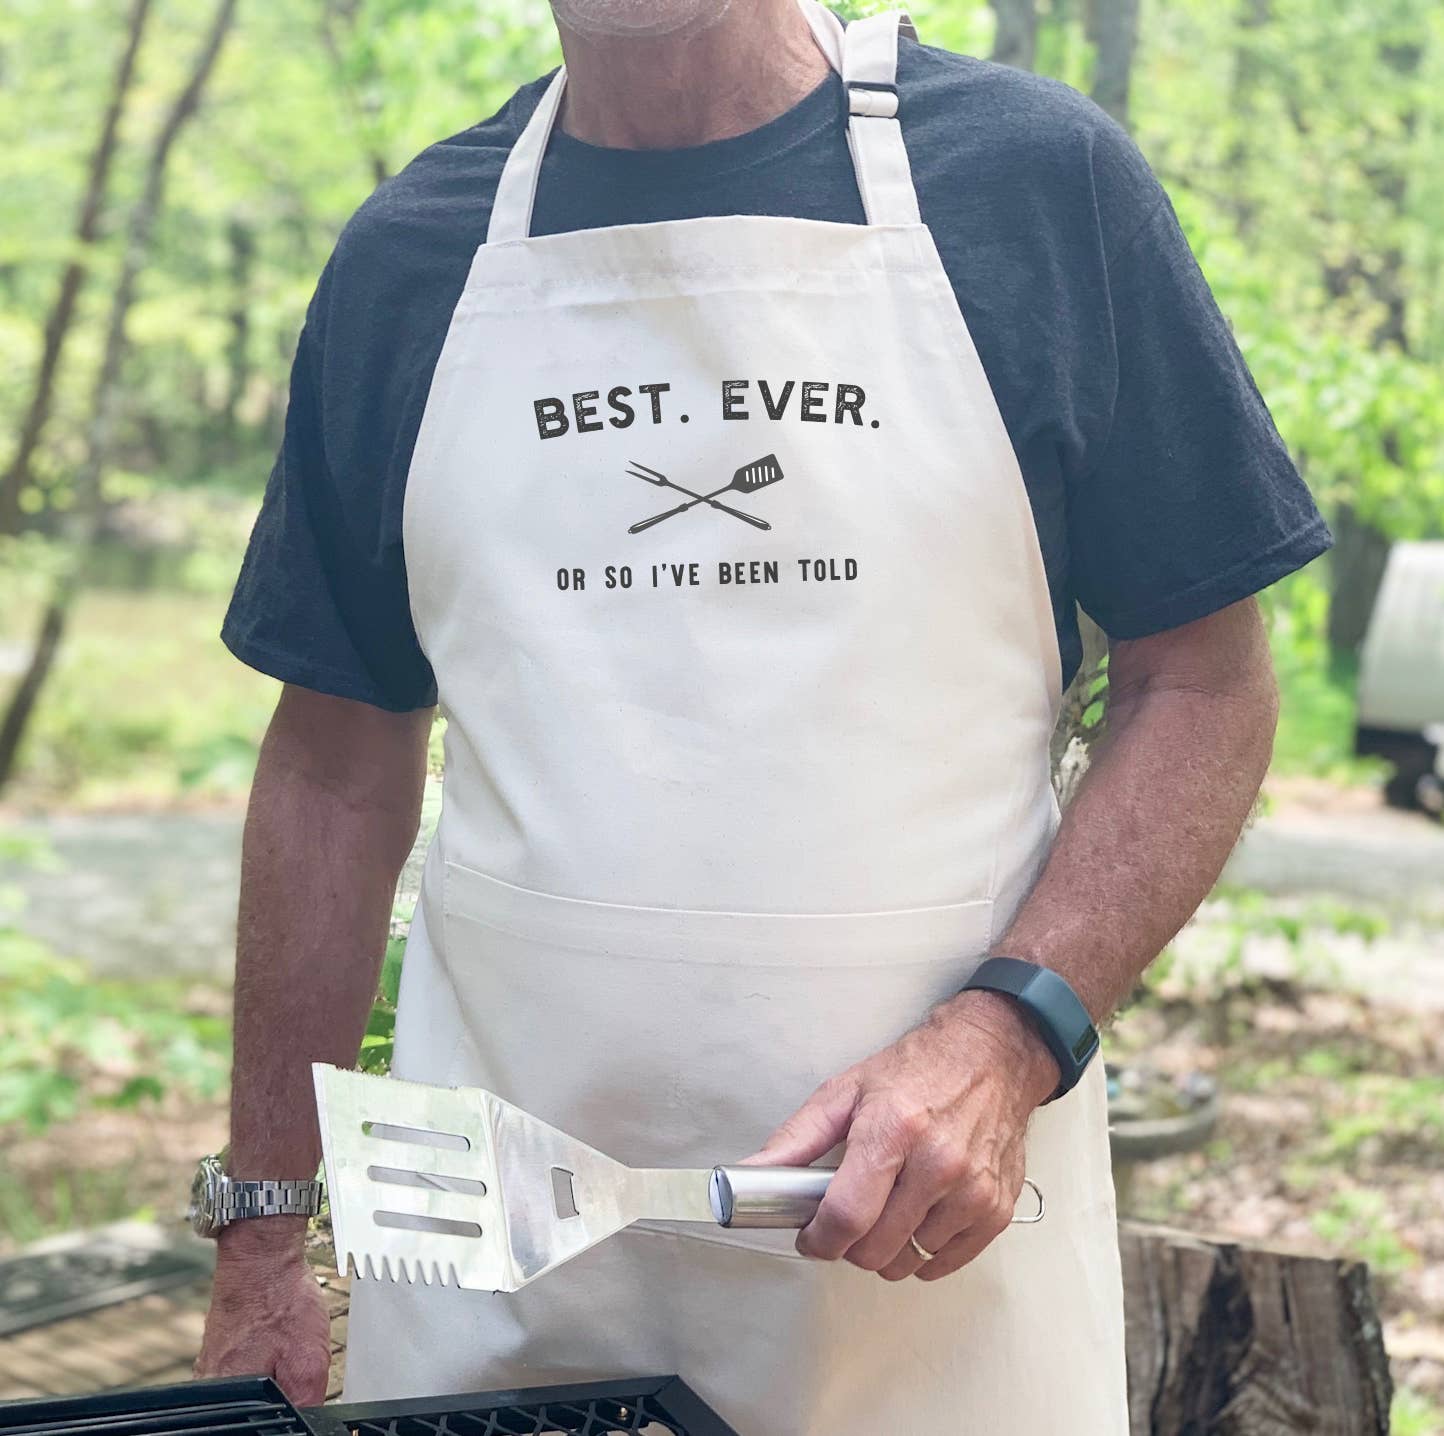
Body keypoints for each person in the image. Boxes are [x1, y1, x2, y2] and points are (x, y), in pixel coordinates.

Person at [193, 0, 1332, 1429]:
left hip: (929, 1273)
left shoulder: (1037, 187)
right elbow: (332, 771)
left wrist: (1011, 1031)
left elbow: (1204, 681)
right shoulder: (409, 260)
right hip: (502, 1282)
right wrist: (260, 1231)